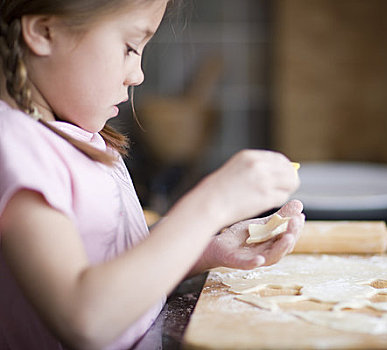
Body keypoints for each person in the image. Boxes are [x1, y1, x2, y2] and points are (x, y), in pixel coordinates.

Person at [0, 1, 305, 349]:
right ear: (43, 31)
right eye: (130, 47)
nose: (138, 75)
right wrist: (212, 204)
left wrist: (204, 248)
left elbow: (115, 267)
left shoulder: (75, 138)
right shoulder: (15, 146)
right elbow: (86, 318)